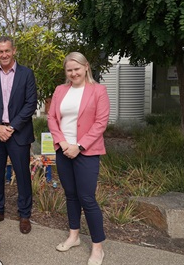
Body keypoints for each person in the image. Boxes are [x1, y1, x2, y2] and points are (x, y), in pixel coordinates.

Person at [47, 52, 110, 265]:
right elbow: (52, 118)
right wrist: (63, 143)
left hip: (87, 152)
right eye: (69, 70)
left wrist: (79, 146)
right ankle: (73, 236)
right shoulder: (60, 90)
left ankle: (97, 247)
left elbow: (101, 122)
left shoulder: (98, 90)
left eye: (77, 69)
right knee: (71, 195)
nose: (73, 73)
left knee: (87, 198)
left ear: (86, 67)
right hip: (64, 150)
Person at [0, 36, 37, 234]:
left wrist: (11, 128)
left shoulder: (26, 74)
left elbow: (31, 104)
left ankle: (24, 214)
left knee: (22, 175)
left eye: (7, 51)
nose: (4, 54)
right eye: (0, 51)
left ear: (14, 51)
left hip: (18, 133)